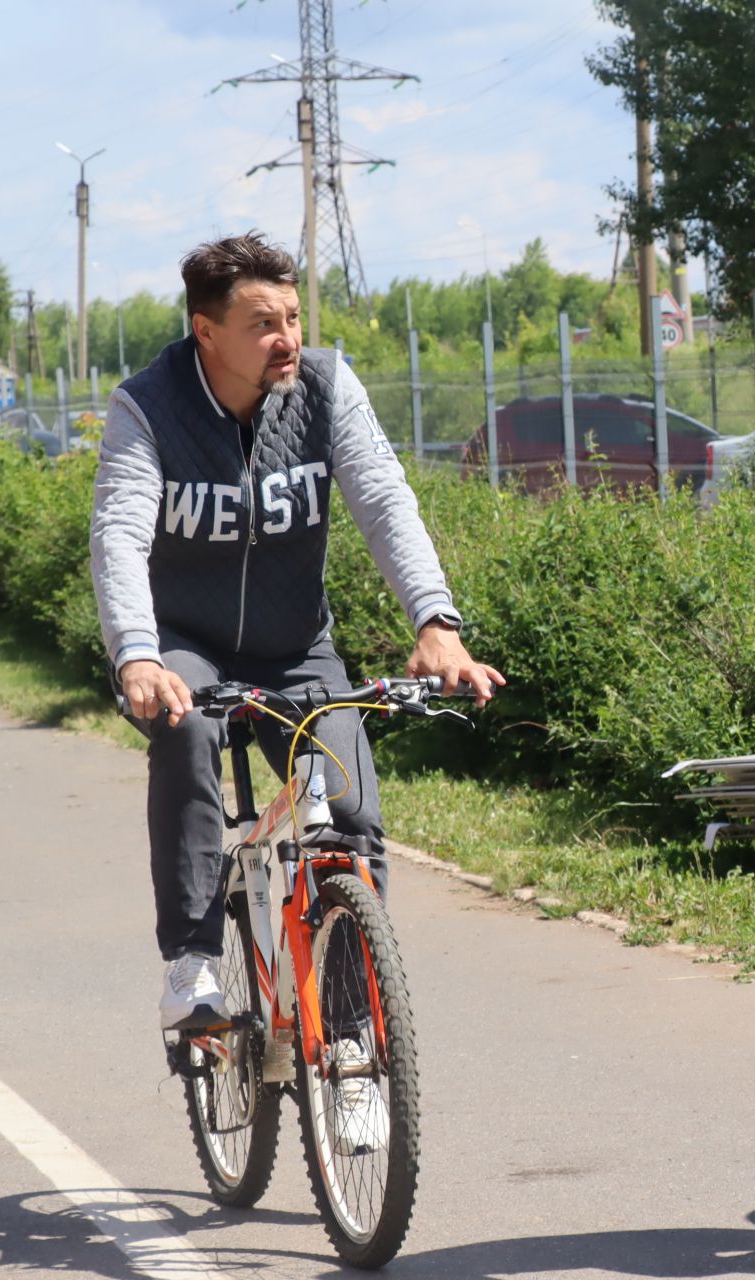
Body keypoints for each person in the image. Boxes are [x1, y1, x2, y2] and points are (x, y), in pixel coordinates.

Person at [90, 232, 505, 1033]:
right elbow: (119, 534)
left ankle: (352, 1047)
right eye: (263, 323)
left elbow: (385, 500)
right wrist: (137, 655)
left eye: (293, 317)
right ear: (206, 332)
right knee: (185, 730)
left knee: (349, 820)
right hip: (186, 644)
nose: (288, 338)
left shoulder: (324, 386)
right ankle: (194, 962)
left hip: (297, 648)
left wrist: (436, 622)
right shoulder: (149, 406)